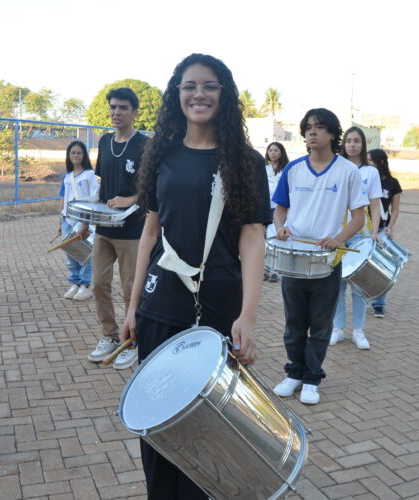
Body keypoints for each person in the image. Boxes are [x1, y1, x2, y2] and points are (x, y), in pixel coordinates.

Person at [120, 53, 270, 500]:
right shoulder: (159, 154)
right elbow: (149, 233)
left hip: (219, 307)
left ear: (224, 95)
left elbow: (252, 240)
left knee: (210, 424)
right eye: (189, 86)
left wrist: (249, 315)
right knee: (158, 417)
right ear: (177, 94)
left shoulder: (245, 161)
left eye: (209, 86)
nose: (199, 94)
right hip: (159, 306)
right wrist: (131, 308)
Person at [271, 109, 367, 405]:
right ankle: (294, 373)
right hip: (295, 258)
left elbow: (359, 218)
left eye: (319, 127)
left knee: (321, 325)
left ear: (332, 133)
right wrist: (280, 228)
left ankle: (312, 378)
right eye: (308, 128)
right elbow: (280, 209)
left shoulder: (348, 171)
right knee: (294, 323)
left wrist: (338, 239)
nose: (312, 132)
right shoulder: (293, 169)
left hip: (327, 261)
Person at [87, 88, 148, 369]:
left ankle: (133, 341)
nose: (116, 112)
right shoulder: (104, 140)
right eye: (113, 107)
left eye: (123, 108)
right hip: (103, 228)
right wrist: (88, 215)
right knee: (98, 284)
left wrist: (130, 199)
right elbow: (102, 184)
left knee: (130, 289)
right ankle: (109, 336)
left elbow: (153, 189)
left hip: (133, 231)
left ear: (135, 112)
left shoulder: (145, 145)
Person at [330, 126, 383, 349]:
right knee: (337, 286)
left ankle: (358, 331)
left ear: (363, 145)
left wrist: (374, 233)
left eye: (357, 141)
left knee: (359, 287)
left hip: (360, 235)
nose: (352, 144)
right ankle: (338, 328)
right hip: (336, 234)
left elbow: (375, 203)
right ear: (344, 144)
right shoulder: (335, 168)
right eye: (349, 140)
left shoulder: (370, 172)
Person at [58, 140, 99, 301]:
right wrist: (59, 221)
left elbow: (94, 198)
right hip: (67, 219)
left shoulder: (90, 175)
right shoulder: (67, 176)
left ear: (84, 155)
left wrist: (87, 221)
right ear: (69, 155)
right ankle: (75, 282)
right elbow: (63, 198)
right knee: (70, 251)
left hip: (83, 220)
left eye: (79, 153)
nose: (75, 155)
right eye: (73, 153)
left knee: (84, 252)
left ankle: (85, 285)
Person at [368, 148, 403, 317]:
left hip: (381, 228)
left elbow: (395, 209)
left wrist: (390, 226)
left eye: (370, 160)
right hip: (362, 228)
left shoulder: (392, 183)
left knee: (381, 266)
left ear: (380, 162)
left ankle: (379, 303)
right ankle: (365, 295)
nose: (367, 163)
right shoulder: (364, 178)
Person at [263, 142, 289, 283]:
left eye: (276, 150)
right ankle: (266, 267)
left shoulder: (286, 169)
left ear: (281, 152)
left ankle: (275, 270)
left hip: (280, 208)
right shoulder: (263, 168)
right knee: (265, 239)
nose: (273, 153)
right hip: (265, 207)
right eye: (270, 150)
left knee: (276, 237)